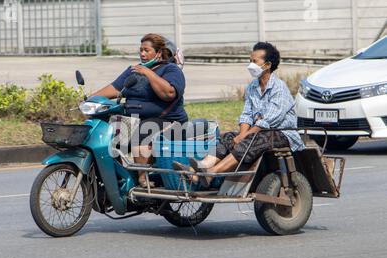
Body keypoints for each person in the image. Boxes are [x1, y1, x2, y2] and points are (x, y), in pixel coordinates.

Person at [173, 42, 305, 187]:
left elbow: (269, 120)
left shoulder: (279, 88)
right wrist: (241, 134)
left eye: (255, 61)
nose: (251, 65)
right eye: (250, 61)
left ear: (267, 65)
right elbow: (247, 115)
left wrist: (244, 135)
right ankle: (197, 168)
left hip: (282, 134)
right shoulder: (252, 87)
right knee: (228, 137)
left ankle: (211, 173)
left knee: (251, 140)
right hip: (260, 132)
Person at [91, 33, 188, 188]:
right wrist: (90, 99)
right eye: (141, 50)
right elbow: (115, 88)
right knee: (107, 138)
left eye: (146, 50)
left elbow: (169, 94)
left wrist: (148, 72)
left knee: (143, 131)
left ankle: (143, 180)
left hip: (169, 122)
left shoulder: (171, 70)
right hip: (134, 119)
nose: (142, 53)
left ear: (158, 53)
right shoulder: (133, 70)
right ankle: (119, 180)